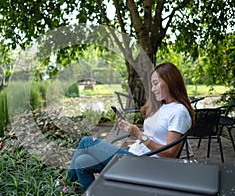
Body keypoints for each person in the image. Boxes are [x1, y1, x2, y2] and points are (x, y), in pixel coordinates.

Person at [65, 62, 195, 192]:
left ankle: (63, 187)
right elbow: (153, 136)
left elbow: (170, 154)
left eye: (155, 83)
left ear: (170, 81)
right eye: (152, 85)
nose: (152, 89)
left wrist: (139, 135)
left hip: (147, 166)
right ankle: (72, 190)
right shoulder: (164, 106)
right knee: (82, 161)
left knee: (87, 142)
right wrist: (130, 129)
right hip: (135, 156)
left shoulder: (179, 111)